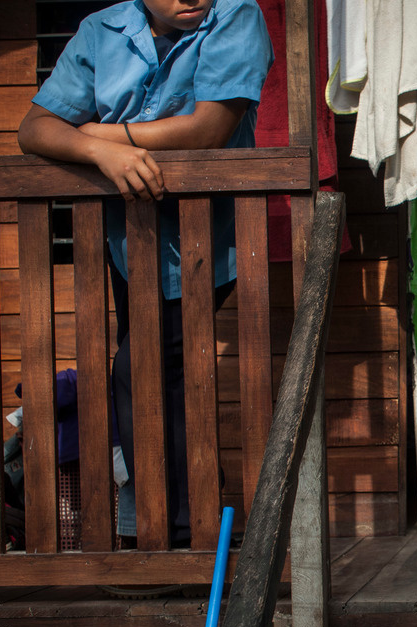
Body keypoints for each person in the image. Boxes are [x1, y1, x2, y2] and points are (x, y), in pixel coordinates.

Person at [18, 0, 274, 548]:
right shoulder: (101, 29)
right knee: (159, 376)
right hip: (126, 240)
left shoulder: (235, 15)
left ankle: (179, 532)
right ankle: (179, 524)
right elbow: (35, 128)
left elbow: (209, 128)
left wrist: (108, 137)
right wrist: (96, 151)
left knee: (142, 368)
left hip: (208, 241)